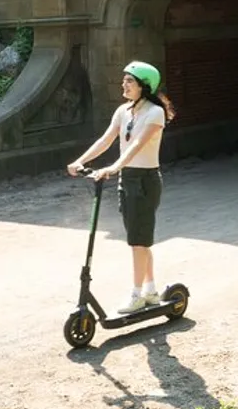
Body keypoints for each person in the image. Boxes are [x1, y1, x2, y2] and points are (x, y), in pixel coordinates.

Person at [68, 60, 175, 314]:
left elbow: (137, 144)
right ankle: (150, 290)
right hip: (127, 179)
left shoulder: (154, 113)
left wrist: (113, 167)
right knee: (139, 240)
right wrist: (81, 160)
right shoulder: (123, 111)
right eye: (124, 79)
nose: (124, 84)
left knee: (139, 241)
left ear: (144, 86)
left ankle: (137, 295)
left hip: (145, 180)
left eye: (130, 81)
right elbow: (106, 139)